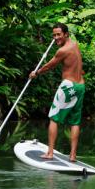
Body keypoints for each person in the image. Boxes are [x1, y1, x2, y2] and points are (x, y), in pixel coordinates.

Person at [29, 23, 85, 162]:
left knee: (54, 118)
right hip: (80, 86)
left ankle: (50, 153)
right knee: (75, 122)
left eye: (58, 34)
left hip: (68, 86)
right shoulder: (74, 44)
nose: (55, 38)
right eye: (54, 35)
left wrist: (36, 73)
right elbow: (77, 64)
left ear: (66, 34)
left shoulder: (62, 51)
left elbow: (49, 66)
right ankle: (72, 155)